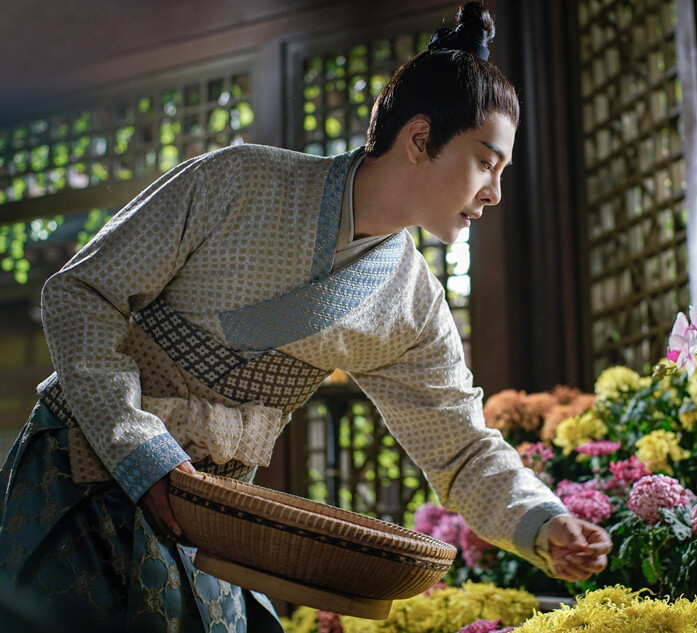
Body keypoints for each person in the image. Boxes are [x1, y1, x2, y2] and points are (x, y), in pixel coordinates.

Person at [0, 3, 611, 631]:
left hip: (204, 515)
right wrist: (141, 448)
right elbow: (81, 293)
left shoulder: (412, 303)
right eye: (487, 162)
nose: (496, 192)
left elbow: (458, 449)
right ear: (421, 138)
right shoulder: (237, 182)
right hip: (84, 464)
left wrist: (543, 521)